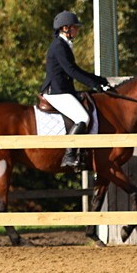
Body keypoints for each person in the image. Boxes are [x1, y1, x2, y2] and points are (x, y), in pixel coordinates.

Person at [41, 10, 112, 170]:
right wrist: (94, 84)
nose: (77, 30)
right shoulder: (59, 46)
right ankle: (69, 155)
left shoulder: (64, 44)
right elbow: (71, 71)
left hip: (64, 90)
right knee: (83, 117)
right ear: (66, 28)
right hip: (56, 92)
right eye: (75, 27)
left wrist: (98, 80)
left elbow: (75, 69)